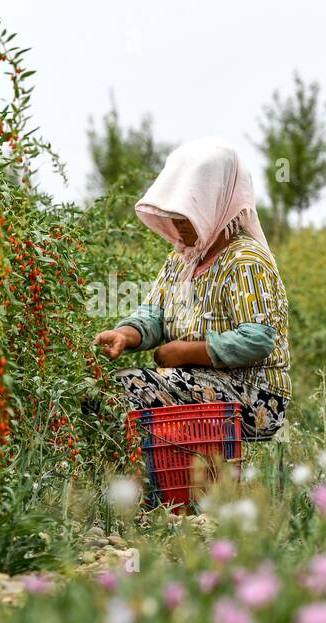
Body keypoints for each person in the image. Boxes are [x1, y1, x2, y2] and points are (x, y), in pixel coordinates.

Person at [94, 138, 291, 440]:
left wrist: (186, 352)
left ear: (218, 201)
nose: (178, 220)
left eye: (190, 207)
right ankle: (148, 481)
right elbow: (154, 314)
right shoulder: (183, 258)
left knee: (126, 389)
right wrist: (125, 335)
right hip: (197, 381)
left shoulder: (246, 261)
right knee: (103, 387)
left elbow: (258, 340)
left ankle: (140, 481)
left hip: (254, 396)